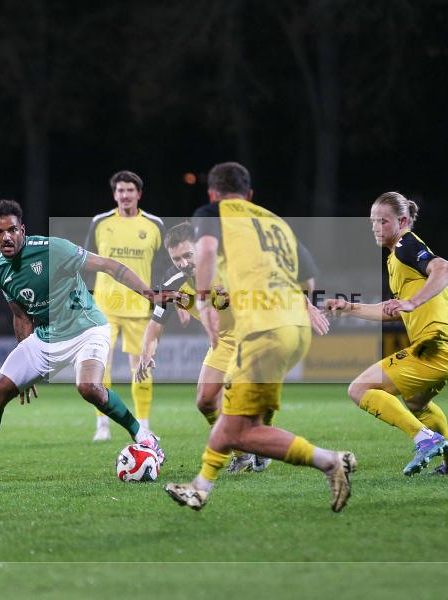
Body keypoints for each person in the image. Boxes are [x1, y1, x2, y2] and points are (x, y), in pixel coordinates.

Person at [163, 161, 355, 512]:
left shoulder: (212, 213)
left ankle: (330, 461)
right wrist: (306, 307)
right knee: (228, 419)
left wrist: (203, 301)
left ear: (212, 193)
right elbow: (307, 276)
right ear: (250, 194)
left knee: (239, 431)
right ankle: (200, 488)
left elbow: (205, 251)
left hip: (262, 330)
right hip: (292, 329)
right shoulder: (273, 221)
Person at [0, 199, 168, 482]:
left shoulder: (53, 249)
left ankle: (144, 436)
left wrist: (148, 293)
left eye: (12, 230)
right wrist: (25, 366)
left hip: (87, 328)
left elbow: (108, 265)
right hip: (46, 337)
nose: (7, 237)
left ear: (22, 230)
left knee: (89, 387)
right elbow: (21, 316)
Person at [136, 221, 329, 474]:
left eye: (187, 255)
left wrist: (307, 305)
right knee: (205, 401)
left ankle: (263, 440)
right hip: (225, 341)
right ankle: (243, 453)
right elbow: (156, 323)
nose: (183, 263)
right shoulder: (172, 281)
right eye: (176, 259)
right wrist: (146, 353)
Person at [324, 192, 448, 476]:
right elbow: (391, 309)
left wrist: (413, 302)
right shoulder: (396, 257)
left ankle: (425, 439)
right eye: (372, 222)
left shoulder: (406, 245)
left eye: (383, 221)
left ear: (403, 221)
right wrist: (347, 308)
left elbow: (445, 269)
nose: (376, 228)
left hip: (436, 346)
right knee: (417, 404)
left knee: (359, 389)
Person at [84, 171, 166, 441]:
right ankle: (102, 426)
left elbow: (165, 268)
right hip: (103, 308)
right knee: (100, 367)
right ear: (114, 194)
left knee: (141, 366)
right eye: (120, 190)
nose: (125, 195)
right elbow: (84, 263)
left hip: (139, 308)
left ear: (139, 194)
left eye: (130, 190)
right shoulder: (100, 222)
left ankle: (143, 423)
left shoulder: (154, 225)